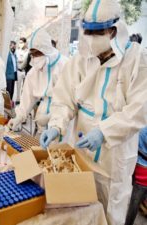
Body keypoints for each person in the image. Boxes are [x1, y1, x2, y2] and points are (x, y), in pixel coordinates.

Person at [40, 0, 147, 224]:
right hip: (81, 153)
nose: (90, 37)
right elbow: (64, 98)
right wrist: (56, 125)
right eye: (87, 31)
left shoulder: (136, 60)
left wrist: (104, 132)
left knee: (110, 213)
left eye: (97, 32)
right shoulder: (81, 59)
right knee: (79, 212)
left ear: (113, 30)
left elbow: (139, 110)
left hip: (114, 158)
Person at [8, 28, 67, 132]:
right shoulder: (33, 72)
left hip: (63, 118)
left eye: (37, 54)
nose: (35, 58)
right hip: (42, 120)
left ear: (46, 50)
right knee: (43, 147)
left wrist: (53, 115)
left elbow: (71, 101)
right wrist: (19, 117)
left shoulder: (65, 65)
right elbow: (27, 98)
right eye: (33, 54)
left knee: (60, 147)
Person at [124, 127, 147, 224]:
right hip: (142, 173)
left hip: (141, 171)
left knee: (134, 202)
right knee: (134, 203)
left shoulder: (142, 130)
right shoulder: (143, 131)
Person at [15, 37, 29, 104]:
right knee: (18, 86)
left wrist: (22, 61)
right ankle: (18, 100)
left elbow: (27, 61)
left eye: (22, 42)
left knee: (25, 87)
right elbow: (17, 60)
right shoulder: (17, 51)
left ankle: (23, 101)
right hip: (19, 71)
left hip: (25, 71)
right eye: (19, 42)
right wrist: (21, 61)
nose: (20, 44)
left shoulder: (28, 51)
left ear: (25, 43)